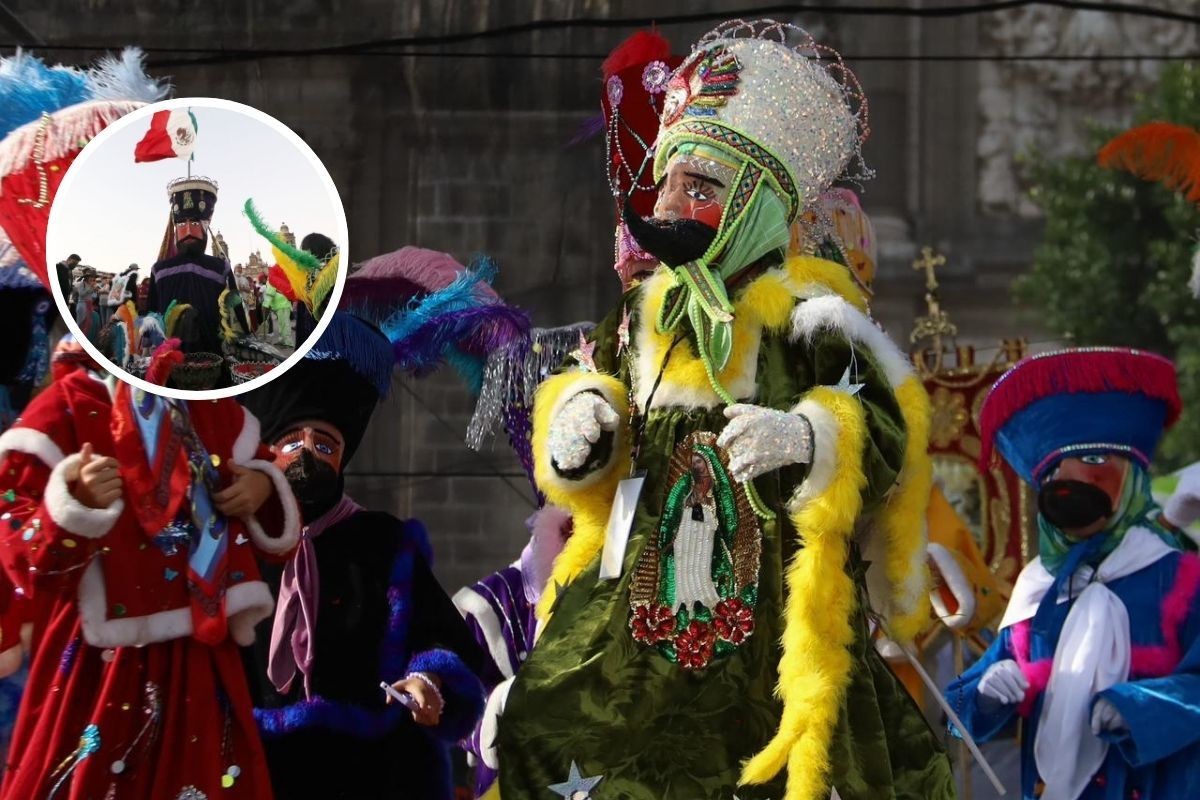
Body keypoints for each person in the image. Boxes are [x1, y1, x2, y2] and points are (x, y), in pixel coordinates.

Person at [495, 19, 953, 800]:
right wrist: (580, 425)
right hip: (632, 635)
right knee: (540, 730)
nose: (668, 201)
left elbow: (887, 432)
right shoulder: (639, 322)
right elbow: (584, 431)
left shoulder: (813, 322)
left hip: (769, 639)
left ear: (754, 207)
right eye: (667, 182)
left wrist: (807, 437)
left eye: (698, 187)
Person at [0, 334, 300, 799]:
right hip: (101, 668)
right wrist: (72, 505)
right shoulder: (67, 407)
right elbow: (20, 554)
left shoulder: (210, 407)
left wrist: (260, 487)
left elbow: (274, 533)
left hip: (202, 656)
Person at [241, 291, 514, 798]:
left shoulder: (382, 543)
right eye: (293, 443)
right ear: (267, 450)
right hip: (254, 772)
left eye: (325, 446)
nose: (307, 458)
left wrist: (426, 683)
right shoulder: (237, 541)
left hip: (368, 774)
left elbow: (444, 643)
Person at [946, 348, 1200, 800]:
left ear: (1134, 479)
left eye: (1096, 463)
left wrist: (1143, 708)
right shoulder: (1037, 589)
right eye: (1052, 471)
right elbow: (959, 710)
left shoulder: (1182, 577)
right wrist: (985, 692)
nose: (1070, 479)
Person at [148, 177, 246, 355]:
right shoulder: (159, 270)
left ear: (205, 226)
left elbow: (236, 306)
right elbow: (152, 312)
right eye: (181, 223)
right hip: (169, 355)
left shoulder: (221, 267)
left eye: (194, 223)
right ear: (174, 228)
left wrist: (244, 334)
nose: (187, 231)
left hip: (211, 352)